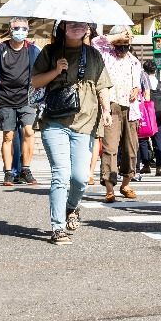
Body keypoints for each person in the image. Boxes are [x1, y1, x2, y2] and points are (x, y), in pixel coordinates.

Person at [32, 20, 114, 245]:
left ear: (87, 28)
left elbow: (102, 85)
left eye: (82, 24)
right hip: (54, 121)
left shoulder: (93, 55)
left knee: (79, 178)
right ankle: (58, 227)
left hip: (85, 123)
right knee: (60, 173)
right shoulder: (50, 52)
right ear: (62, 27)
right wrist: (56, 70)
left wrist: (106, 110)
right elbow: (35, 81)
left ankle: (71, 206)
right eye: (72, 23)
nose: (77, 27)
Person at [0, 16, 41, 186]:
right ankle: (9, 172)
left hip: (27, 98)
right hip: (5, 98)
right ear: (10, 30)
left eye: (24, 28)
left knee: (29, 131)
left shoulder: (32, 50)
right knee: (8, 135)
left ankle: (26, 169)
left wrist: (40, 96)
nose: (21, 31)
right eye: (17, 28)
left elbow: (38, 74)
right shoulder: (0, 50)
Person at [93, 25, 143, 202]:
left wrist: (137, 89)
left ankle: (126, 183)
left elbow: (138, 83)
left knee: (131, 149)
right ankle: (109, 187)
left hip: (131, 109)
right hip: (111, 106)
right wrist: (117, 37)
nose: (122, 48)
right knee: (110, 148)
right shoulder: (105, 55)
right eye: (119, 43)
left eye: (126, 44)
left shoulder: (134, 61)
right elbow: (95, 43)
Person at [138, 59, 161, 177]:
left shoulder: (143, 82)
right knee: (158, 139)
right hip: (160, 114)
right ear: (155, 70)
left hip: (147, 113)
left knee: (143, 138)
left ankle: (146, 164)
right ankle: (159, 167)